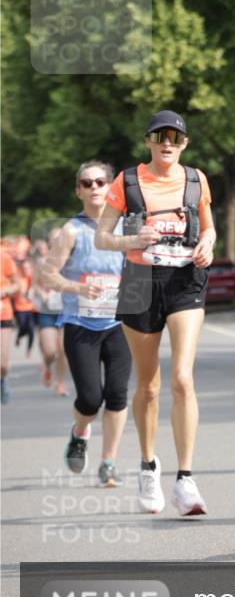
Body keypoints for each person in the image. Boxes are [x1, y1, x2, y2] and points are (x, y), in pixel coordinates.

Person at [96, 110, 216, 517]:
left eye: (176, 138)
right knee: (148, 386)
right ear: (148, 140)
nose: (168, 143)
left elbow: (211, 228)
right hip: (138, 282)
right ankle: (148, 466)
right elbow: (102, 237)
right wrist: (134, 237)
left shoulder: (196, 180)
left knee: (183, 378)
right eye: (160, 136)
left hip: (185, 280)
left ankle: (185, 478)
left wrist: (209, 245)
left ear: (184, 144)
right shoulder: (127, 182)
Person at [46, 162, 131, 487]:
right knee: (90, 399)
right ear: (78, 190)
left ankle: (108, 462)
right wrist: (78, 288)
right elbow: (47, 274)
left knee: (117, 394)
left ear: (111, 188)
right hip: (80, 323)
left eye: (100, 181)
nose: (94, 187)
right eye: (87, 182)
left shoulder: (126, 228)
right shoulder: (72, 230)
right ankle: (80, 432)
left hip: (119, 323)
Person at [33, 229, 68, 397]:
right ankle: (47, 366)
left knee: (63, 349)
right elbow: (35, 285)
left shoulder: (72, 261)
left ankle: (60, 382)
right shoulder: (42, 262)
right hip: (48, 311)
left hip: (66, 310)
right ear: (49, 243)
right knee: (49, 351)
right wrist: (43, 294)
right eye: (54, 239)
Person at [1, 243, 20, 403]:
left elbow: (16, 284)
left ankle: (3, 379)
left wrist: (5, 291)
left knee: (2, 364)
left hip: (3, 314)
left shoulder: (4, 256)